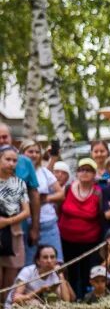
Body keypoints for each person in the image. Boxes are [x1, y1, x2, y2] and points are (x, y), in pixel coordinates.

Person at [59, 158, 105, 299]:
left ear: (94, 174)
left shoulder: (98, 193)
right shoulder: (67, 189)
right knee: (71, 272)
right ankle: (73, 299)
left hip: (90, 242)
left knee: (87, 273)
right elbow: (58, 209)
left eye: (88, 170)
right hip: (67, 239)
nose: (84, 173)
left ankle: (86, 299)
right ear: (77, 173)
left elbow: (101, 216)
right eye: (81, 170)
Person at [19, 140, 63, 264]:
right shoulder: (16, 173)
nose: (34, 155)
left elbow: (61, 194)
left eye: (37, 152)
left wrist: (46, 199)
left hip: (48, 223)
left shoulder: (44, 172)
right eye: (30, 151)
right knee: (29, 264)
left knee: (55, 263)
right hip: (26, 223)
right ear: (22, 153)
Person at [0, 124, 40, 251]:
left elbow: (34, 195)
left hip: (19, 227)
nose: (1, 140)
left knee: (18, 266)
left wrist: (35, 227)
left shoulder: (25, 161)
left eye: (4, 137)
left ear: (11, 137)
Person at [0, 146, 31, 291]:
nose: (11, 163)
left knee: (10, 281)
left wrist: (7, 221)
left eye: (14, 160)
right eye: (7, 159)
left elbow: (26, 211)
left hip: (14, 232)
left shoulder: (19, 183)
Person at [6, 244, 74, 309]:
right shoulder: (27, 271)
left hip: (41, 307)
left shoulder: (56, 274)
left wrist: (61, 275)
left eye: (52, 257)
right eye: (45, 257)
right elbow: (16, 299)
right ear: (38, 261)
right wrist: (39, 291)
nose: (49, 261)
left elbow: (66, 301)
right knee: (35, 303)